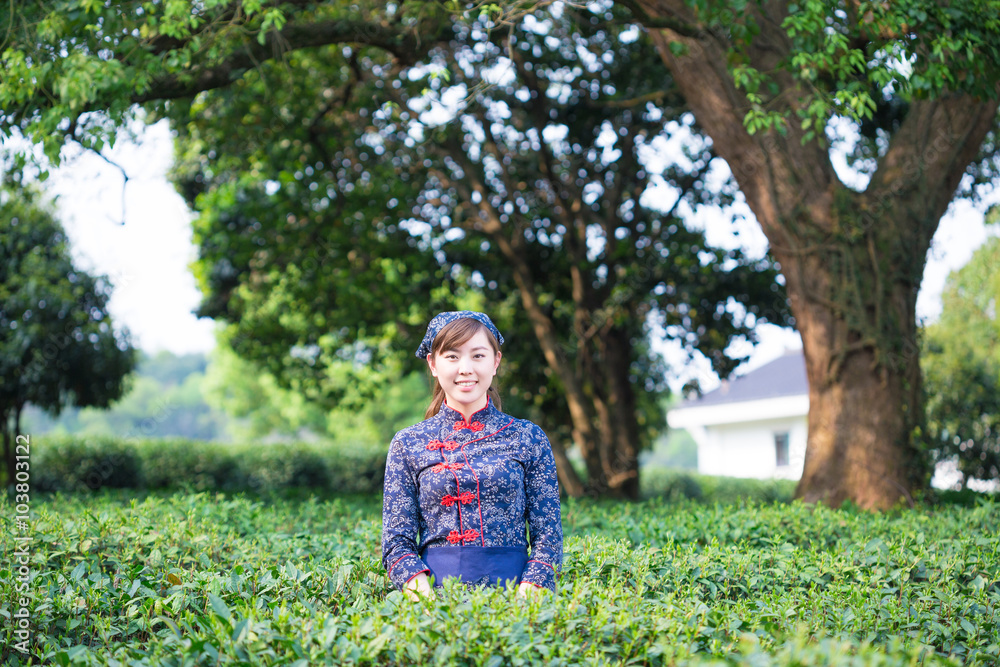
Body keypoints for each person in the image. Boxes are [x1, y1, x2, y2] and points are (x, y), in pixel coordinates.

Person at [381, 310, 563, 600]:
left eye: (478, 356)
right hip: (433, 599)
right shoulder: (408, 443)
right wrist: (425, 599)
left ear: (496, 362)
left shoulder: (528, 437)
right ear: (433, 364)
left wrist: (528, 597)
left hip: (518, 598)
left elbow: (548, 536)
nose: (465, 368)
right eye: (452, 356)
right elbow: (396, 543)